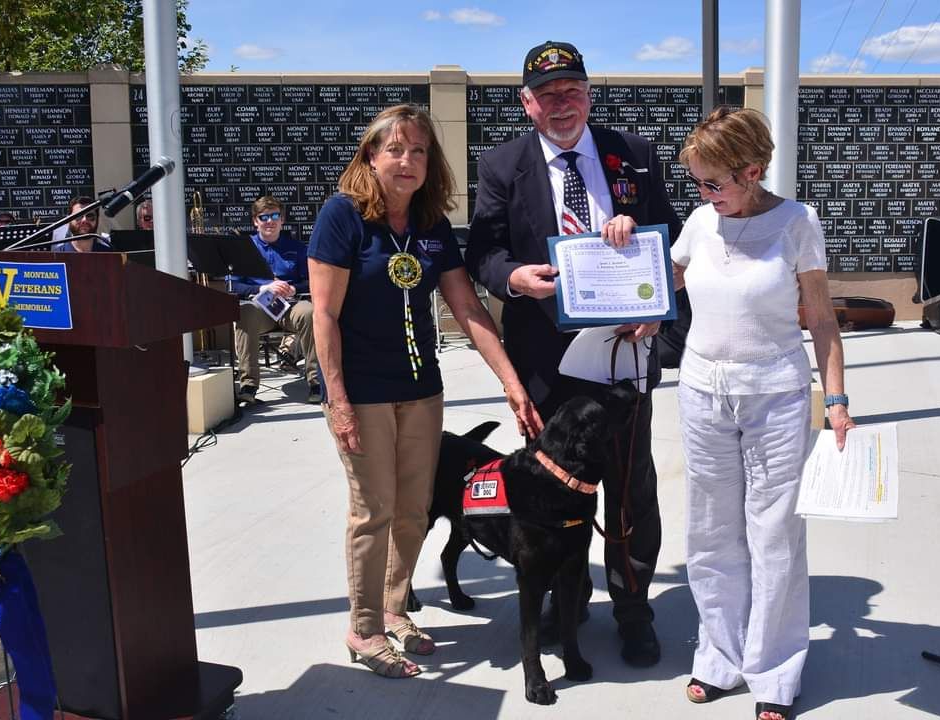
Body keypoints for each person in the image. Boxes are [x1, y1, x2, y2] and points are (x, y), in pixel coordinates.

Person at [465, 40, 682, 668]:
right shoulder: (503, 165)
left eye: (573, 90)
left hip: (622, 353)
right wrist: (513, 280)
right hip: (544, 361)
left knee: (629, 487)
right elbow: (484, 251)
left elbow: (671, 246)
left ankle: (634, 608)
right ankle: (570, 603)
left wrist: (655, 293)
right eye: (548, 94)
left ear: (589, 93)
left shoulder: (632, 154)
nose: (563, 104)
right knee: (553, 488)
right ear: (527, 103)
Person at [308, 104, 542, 679]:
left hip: (421, 390)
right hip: (360, 391)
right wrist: (335, 398)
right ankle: (363, 629)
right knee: (373, 510)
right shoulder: (342, 218)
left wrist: (510, 382)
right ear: (371, 155)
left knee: (413, 509)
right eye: (395, 149)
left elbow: (466, 308)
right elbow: (324, 316)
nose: (408, 161)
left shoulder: (432, 225)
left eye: (419, 151)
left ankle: (394, 610)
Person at [671, 107, 856, 720]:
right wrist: (616, 255)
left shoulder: (798, 223)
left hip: (775, 394)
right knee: (710, 530)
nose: (703, 194)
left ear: (752, 171)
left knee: (774, 535)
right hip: (701, 391)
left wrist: (836, 402)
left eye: (713, 182)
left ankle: (774, 672)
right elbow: (653, 282)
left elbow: (822, 318)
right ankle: (719, 656)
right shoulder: (700, 222)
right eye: (695, 182)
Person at [228, 196, 321, 404]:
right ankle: (248, 385)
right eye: (264, 217)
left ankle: (316, 382)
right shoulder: (243, 248)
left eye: (274, 216)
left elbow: (313, 281)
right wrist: (263, 287)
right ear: (255, 221)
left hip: (291, 305)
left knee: (310, 313)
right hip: (260, 307)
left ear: (282, 220)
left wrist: (293, 287)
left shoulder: (297, 248)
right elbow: (232, 285)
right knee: (244, 313)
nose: (269, 221)